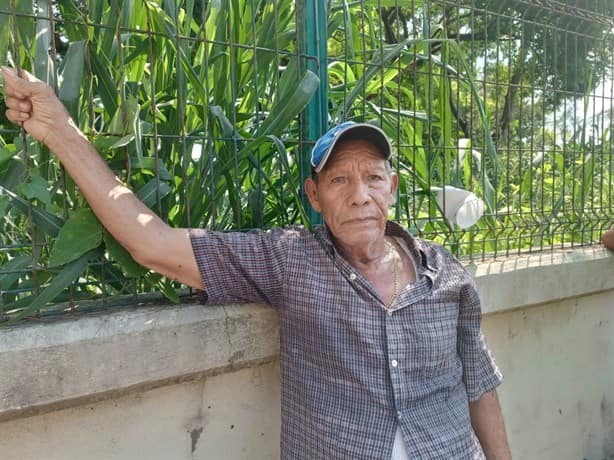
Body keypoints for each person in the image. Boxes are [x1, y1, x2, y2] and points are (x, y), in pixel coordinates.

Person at [2, 66, 511, 459]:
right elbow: (152, 243)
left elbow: (480, 387)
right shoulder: (290, 260)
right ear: (314, 196)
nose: (360, 196)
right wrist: (59, 129)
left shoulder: (446, 274)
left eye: (373, 178)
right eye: (339, 181)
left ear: (392, 188)